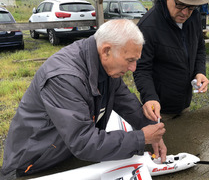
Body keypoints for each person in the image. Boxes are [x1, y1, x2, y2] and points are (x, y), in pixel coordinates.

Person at [0, 19, 167, 179]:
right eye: (130, 60)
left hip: (65, 151)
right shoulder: (64, 78)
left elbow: (126, 102)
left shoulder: (107, 65)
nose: (133, 68)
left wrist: (151, 128)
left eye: (136, 60)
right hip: (35, 164)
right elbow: (83, 142)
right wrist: (141, 138)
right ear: (106, 50)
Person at [133, 0, 209, 121]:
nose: (185, 13)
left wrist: (200, 71)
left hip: (184, 102)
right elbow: (141, 69)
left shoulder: (194, 17)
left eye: (191, 6)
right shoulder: (148, 25)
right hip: (160, 109)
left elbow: (200, 49)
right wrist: (150, 97)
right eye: (180, 5)